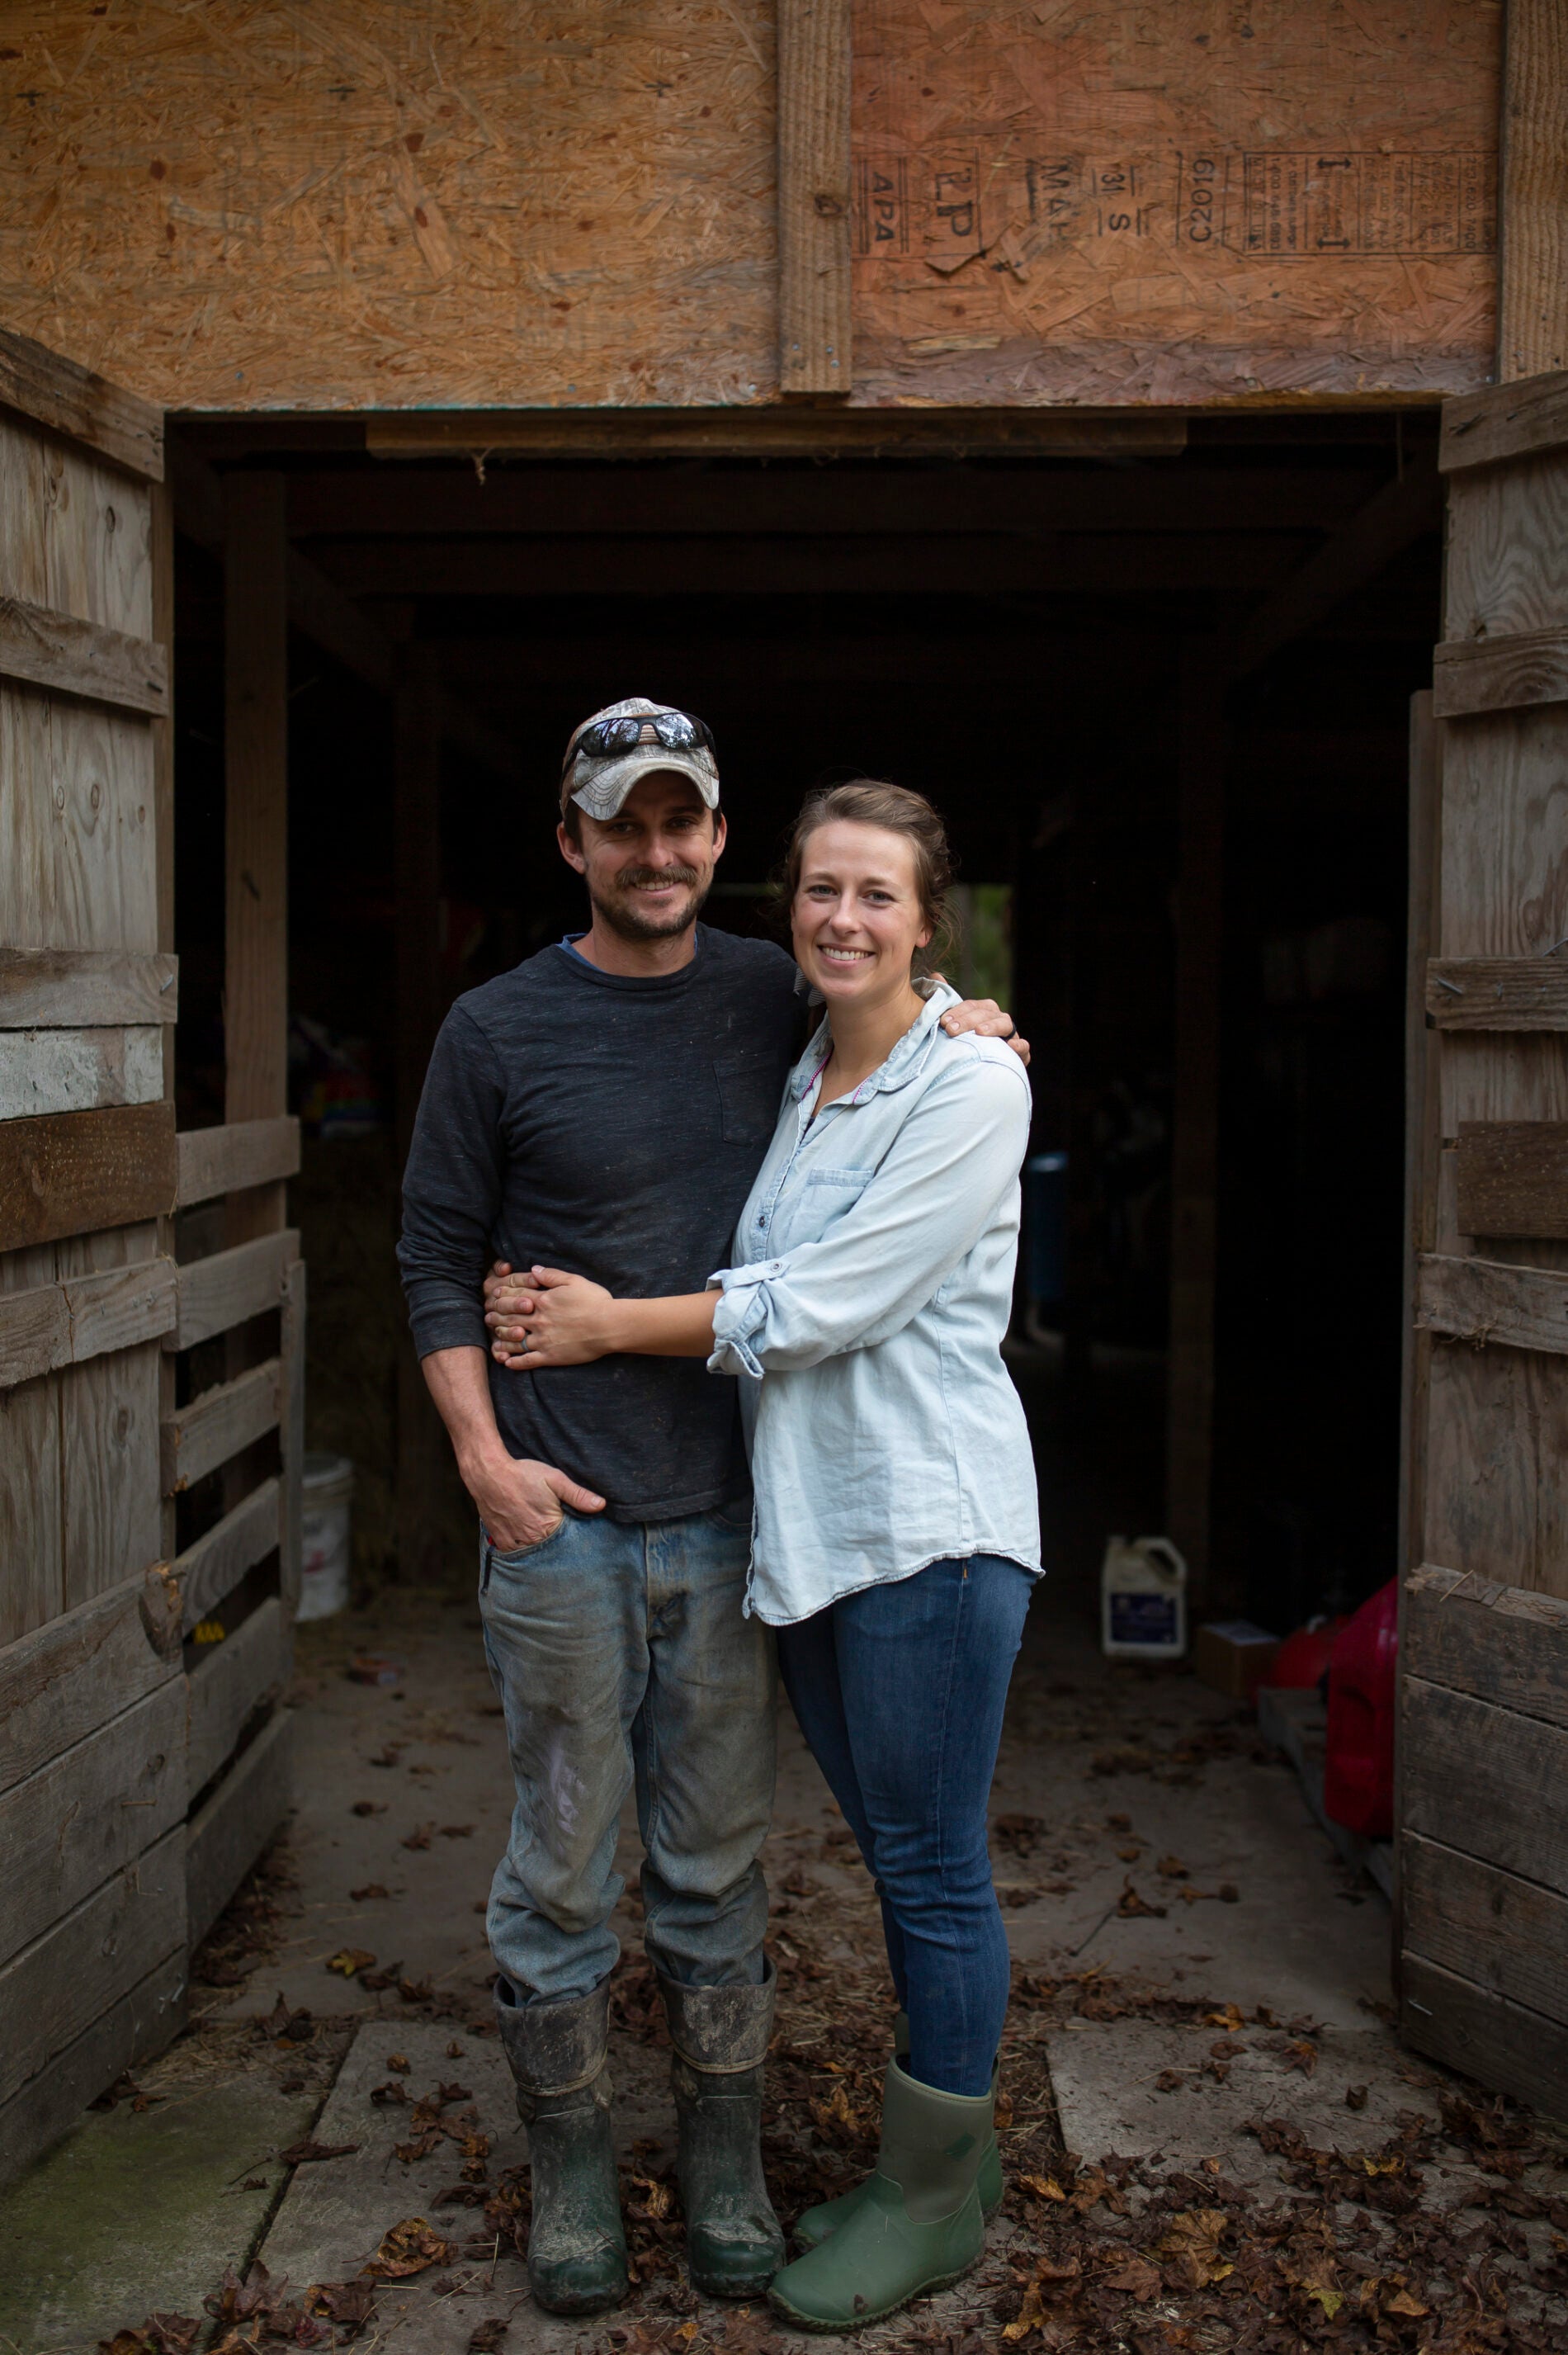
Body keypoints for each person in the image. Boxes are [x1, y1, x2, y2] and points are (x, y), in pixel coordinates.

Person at [397, 703, 1026, 2318]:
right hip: (563, 1521)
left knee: (716, 1867)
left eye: (682, 823)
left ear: (715, 840)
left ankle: (730, 2164)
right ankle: (576, 2177)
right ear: (572, 841)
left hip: (740, 1524)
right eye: (623, 823)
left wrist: (974, 1024)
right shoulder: (495, 1027)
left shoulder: (781, 998)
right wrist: (482, 1462)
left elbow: (885, 1083)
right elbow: (428, 1262)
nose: (656, 850)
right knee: (556, 1864)